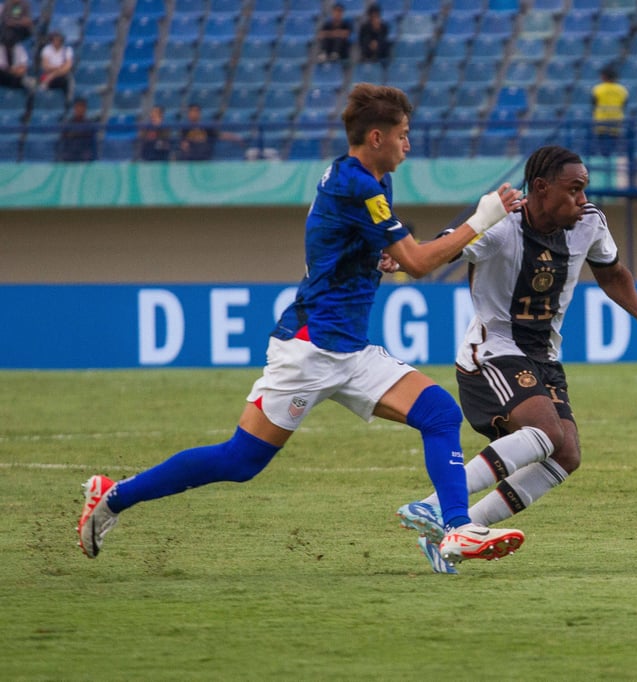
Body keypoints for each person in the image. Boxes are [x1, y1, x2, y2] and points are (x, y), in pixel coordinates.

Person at [76, 83, 528, 568]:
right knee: (239, 461)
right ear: (376, 137)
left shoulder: (366, 177)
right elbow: (420, 263)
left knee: (439, 413)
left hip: (349, 349)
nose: (408, 144)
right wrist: (484, 217)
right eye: (403, 134)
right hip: (310, 349)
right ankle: (113, 495)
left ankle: (458, 530)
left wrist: (374, 258)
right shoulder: (358, 184)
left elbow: (361, 244)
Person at [393, 145, 637, 573]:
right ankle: (434, 508)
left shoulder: (590, 224)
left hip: (543, 357)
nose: (582, 199)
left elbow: (613, 272)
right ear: (540, 188)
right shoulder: (502, 227)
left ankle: (455, 534)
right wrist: (400, 252)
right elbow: (444, 251)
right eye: (573, 189)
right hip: (489, 353)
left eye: (584, 189)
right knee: (545, 431)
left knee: (567, 455)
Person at [177, 103, 244, 161]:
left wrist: (236, 138)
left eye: (196, 111)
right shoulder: (184, 128)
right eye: (192, 111)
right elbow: (183, 143)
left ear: (200, 113)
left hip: (204, 157)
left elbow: (220, 135)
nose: (194, 113)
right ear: (188, 113)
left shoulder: (206, 127)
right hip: (191, 158)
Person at [591, 65, 628, 156]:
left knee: (602, 147)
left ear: (604, 76)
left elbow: (593, 104)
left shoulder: (597, 89)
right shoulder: (622, 89)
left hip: (601, 122)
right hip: (616, 122)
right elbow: (624, 105)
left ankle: (604, 164)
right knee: (613, 146)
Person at [56, 97, 97, 161]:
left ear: (85, 109)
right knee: (64, 156)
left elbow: (91, 142)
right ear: (74, 108)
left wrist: (74, 134)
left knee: (87, 156)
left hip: (84, 153)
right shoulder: (68, 124)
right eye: (78, 106)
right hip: (70, 152)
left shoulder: (90, 124)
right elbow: (62, 140)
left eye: (82, 106)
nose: (80, 109)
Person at [38, 31, 73, 101]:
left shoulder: (67, 50)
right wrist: (59, 67)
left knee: (67, 81)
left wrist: (53, 75)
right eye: (55, 40)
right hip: (48, 76)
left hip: (61, 77)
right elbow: (45, 67)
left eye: (58, 40)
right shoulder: (46, 50)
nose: (56, 42)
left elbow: (67, 67)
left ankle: (67, 102)